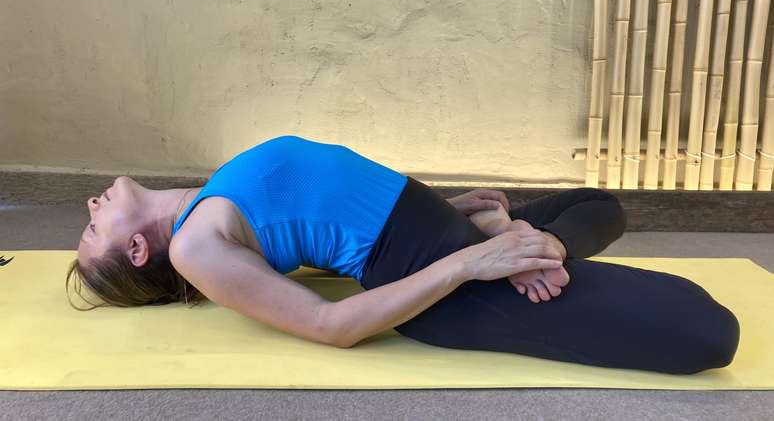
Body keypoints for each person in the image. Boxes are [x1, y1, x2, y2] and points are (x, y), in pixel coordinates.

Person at [67, 134, 740, 375]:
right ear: (137, 248)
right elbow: (331, 324)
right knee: (708, 329)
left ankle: (542, 243)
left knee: (597, 203)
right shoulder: (194, 248)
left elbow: (323, 222)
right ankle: (516, 244)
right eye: (93, 229)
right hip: (444, 285)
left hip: (443, 230)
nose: (91, 206)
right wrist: (475, 262)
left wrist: (454, 210)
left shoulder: (209, 195)